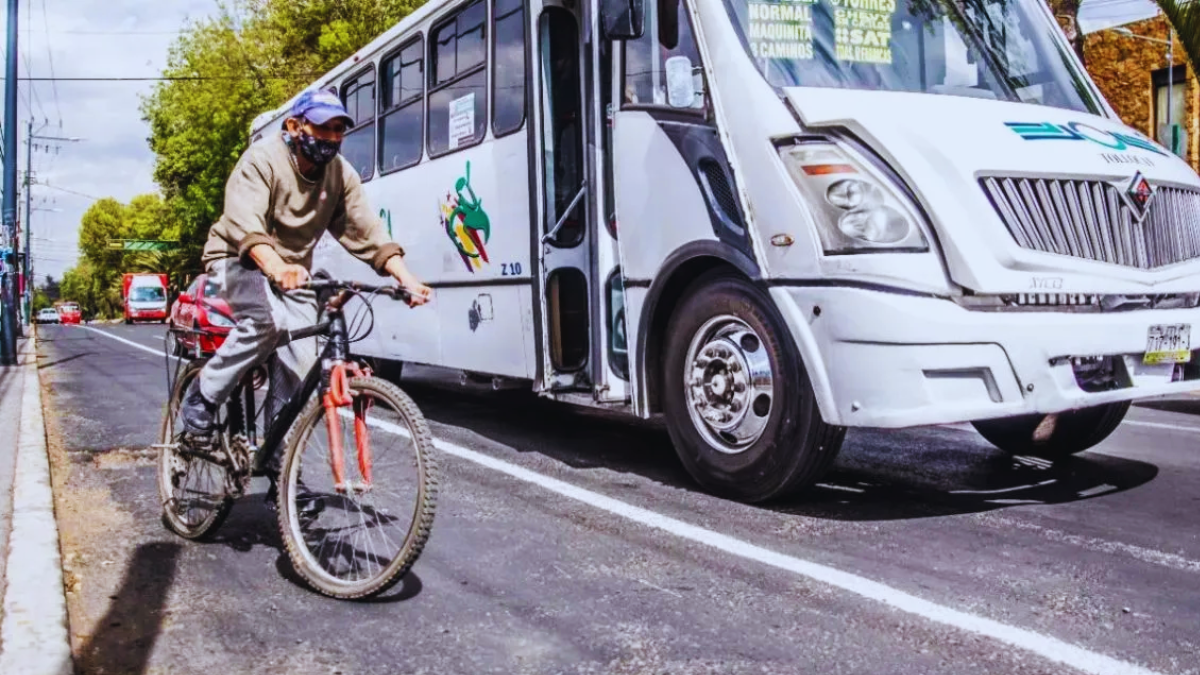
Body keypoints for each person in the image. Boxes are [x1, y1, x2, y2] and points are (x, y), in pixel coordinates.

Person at [179, 89, 432, 461]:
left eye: (338, 130)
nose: (331, 137)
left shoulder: (339, 175)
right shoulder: (262, 160)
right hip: (237, 259)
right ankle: (203, 396)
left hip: (294, 273)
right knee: (268, 322)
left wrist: (405, 278)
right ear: (294, 126)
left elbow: (367, 231)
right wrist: (275, 266)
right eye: (322, 128)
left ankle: (275, 459)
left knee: (301, 361)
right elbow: (246, 224)